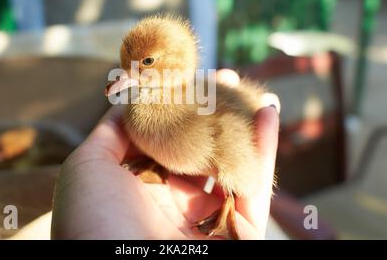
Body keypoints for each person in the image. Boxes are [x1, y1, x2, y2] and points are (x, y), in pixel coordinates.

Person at [51, 70, 279, 239]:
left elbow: (236, 145)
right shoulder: (137, 111)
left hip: (229, 141)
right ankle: (159, 165)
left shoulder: (183, 111)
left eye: (145, 63)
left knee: (233, 160)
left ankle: (228, 206)